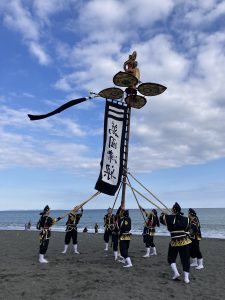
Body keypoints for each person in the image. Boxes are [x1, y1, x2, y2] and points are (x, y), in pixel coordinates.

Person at [160, 202, 192, 283]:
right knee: (185, 259)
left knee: (171, 258)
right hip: (185, 241)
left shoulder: (169, 218)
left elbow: (161, 220)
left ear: (174, 210)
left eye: (172, 208)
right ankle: (186, 278)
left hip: (174, 241)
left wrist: (163, 212)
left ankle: (176, 273)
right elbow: (188, 229)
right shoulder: (186, 219)